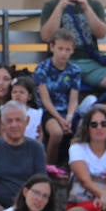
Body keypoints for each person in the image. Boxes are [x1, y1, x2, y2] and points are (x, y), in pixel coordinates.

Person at [0, 101, 47, 211]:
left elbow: (41, 187)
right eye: (9, 121)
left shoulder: (36, 148)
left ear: (27, 121)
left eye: (18, 120)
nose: (14, 125)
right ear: (2, 124)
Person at [35, 30, 82, 164]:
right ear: (52, 47)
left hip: (67, 111)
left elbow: (74, 99)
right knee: (56, 133)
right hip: (48, 111)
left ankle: (73, 166)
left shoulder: (75, 70)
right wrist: (60, 119)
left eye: (68, 50)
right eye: (60, 48)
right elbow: (45, 99)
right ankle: (49, 166)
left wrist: (69, 117)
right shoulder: (42, 69)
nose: (64, 53)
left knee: (82, 131)